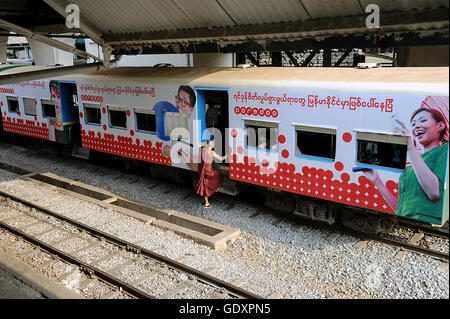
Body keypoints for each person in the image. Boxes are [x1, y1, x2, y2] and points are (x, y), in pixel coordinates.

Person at [362, 107, 448, 224]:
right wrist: (377, 181)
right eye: (413, 124)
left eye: (422, 120)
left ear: (441, 126)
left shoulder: (445, 150)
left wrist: (408, 145)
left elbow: (434, 193)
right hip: (411, 220)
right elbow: (401, 209)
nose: (416, 126)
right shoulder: (410, 167)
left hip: (428, 219)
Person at [195, 138, 227, 208]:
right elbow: (221, 159)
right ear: (211, 144)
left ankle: (207, 203)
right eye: (213, 143)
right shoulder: (212, 152)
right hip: (209, 171)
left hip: (203, 171)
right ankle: (217, 188)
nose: (214, 144)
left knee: (205, 185)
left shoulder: (202, 149)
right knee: (219, 175)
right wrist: (229, 154)